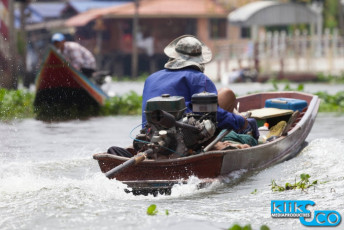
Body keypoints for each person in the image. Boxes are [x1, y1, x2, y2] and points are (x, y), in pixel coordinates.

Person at [141, 35, 258, 150]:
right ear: (199, 60)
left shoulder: (151, 78)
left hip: (150, 137)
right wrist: (241, 122)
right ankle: (212, 145)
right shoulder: (199, 78)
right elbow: (214, 114)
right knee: (227, 95)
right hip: (182, 140)